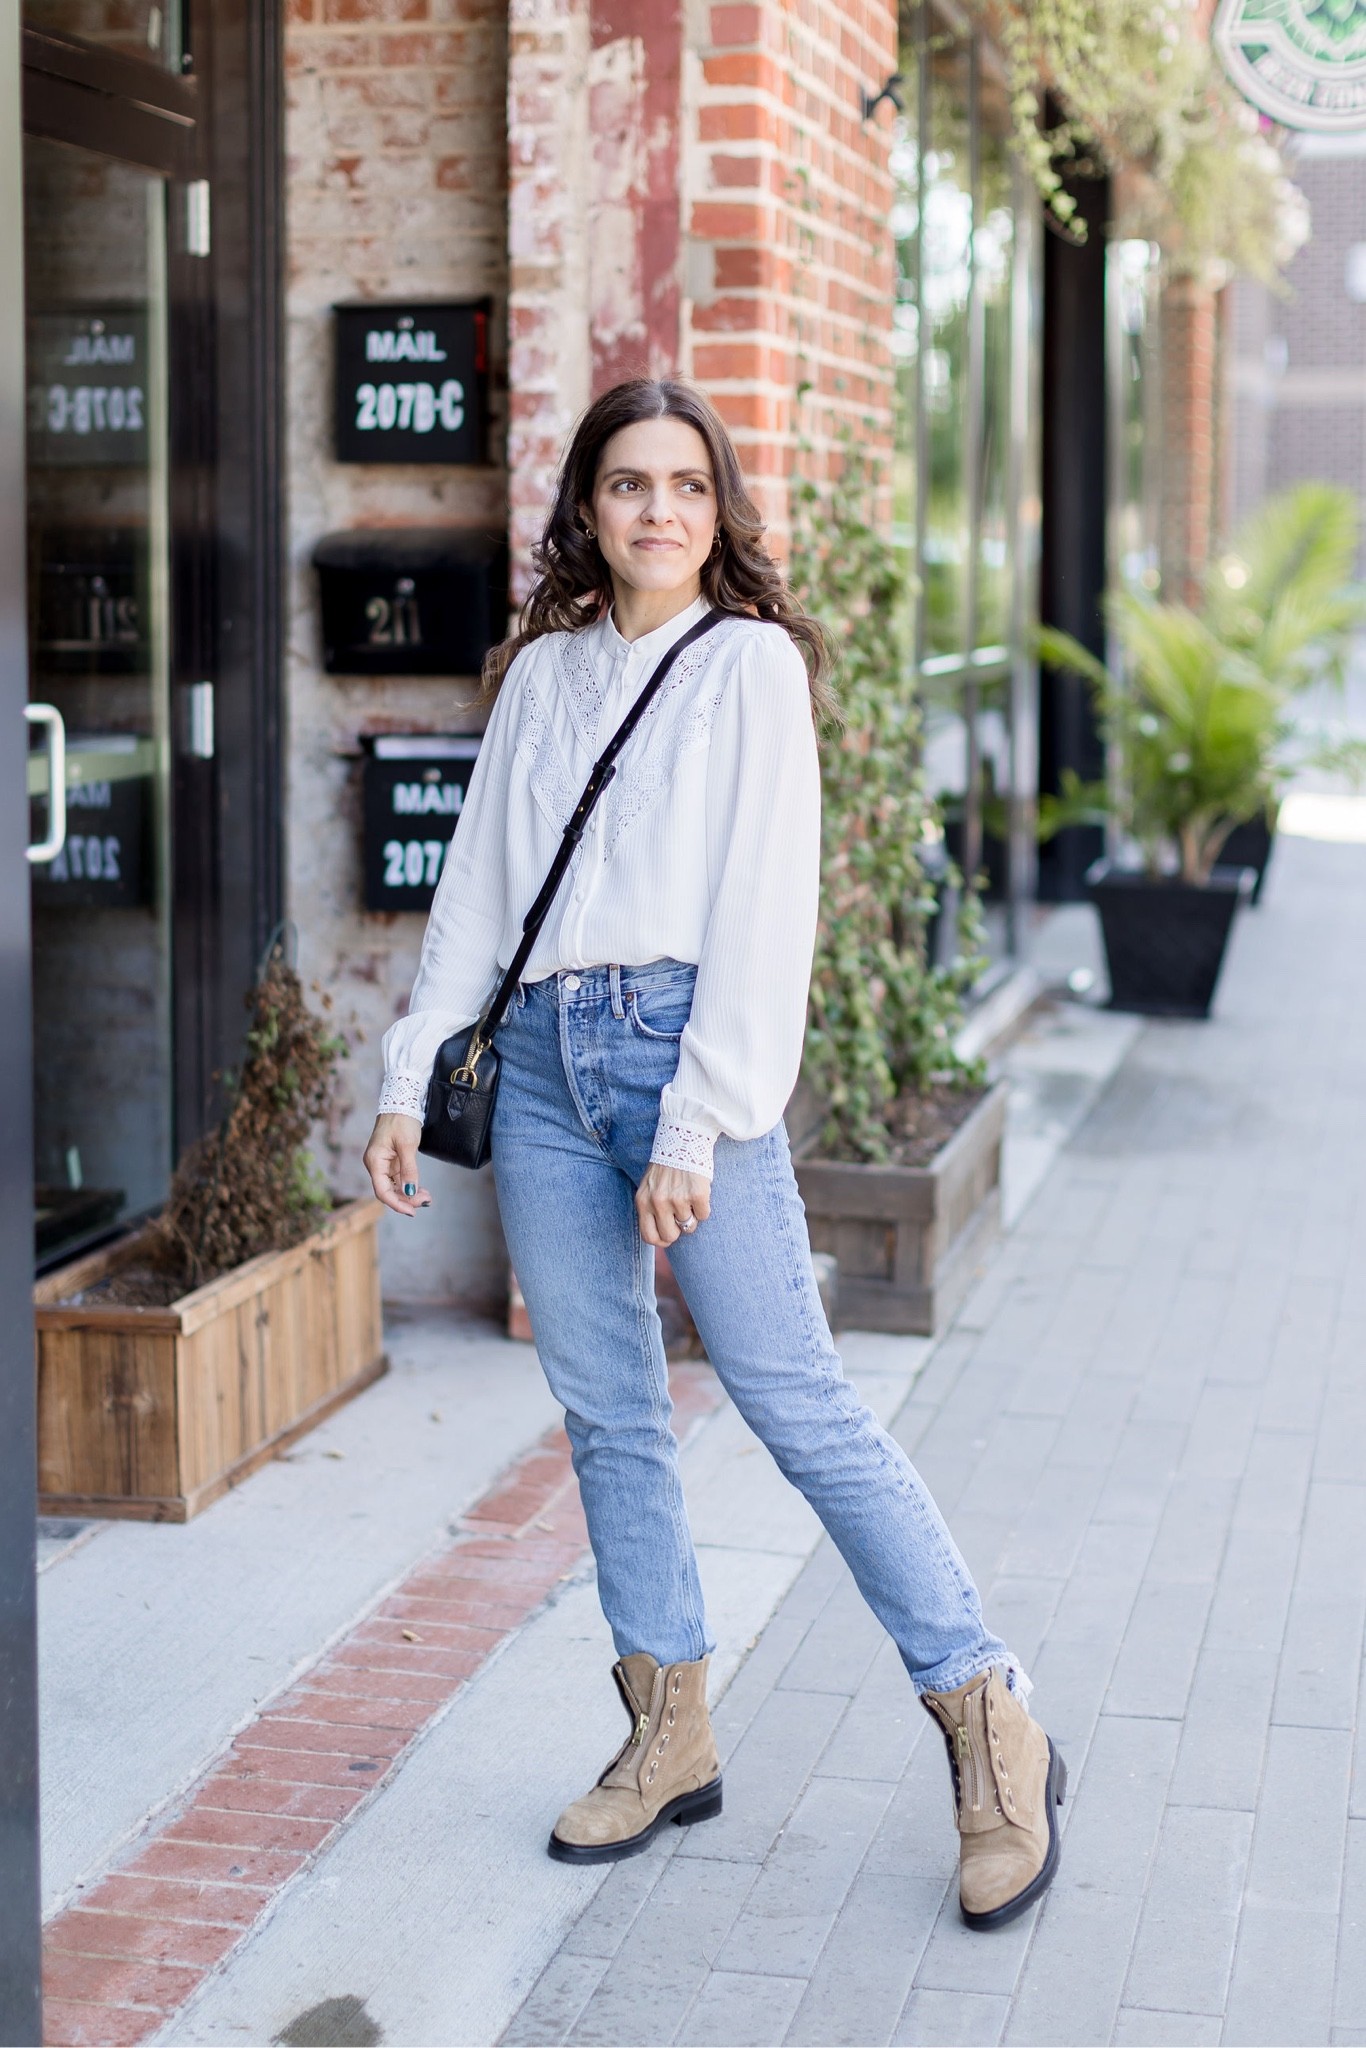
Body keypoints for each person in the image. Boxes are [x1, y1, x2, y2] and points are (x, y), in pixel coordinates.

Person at [362, 378, 1065, 1930]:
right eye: (627, 484)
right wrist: (413, 1075)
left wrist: (697, 1116)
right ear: (587, 509)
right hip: (539, 1067)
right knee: (607, 1410)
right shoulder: (543, 673)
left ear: (720, 509)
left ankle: (986, 1713)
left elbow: (765, 906)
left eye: (686, 484)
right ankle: (666, 1732)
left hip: (684, 1053)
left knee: (794, 1398)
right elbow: (477, 895)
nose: (658, 510)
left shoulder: (745, 666)